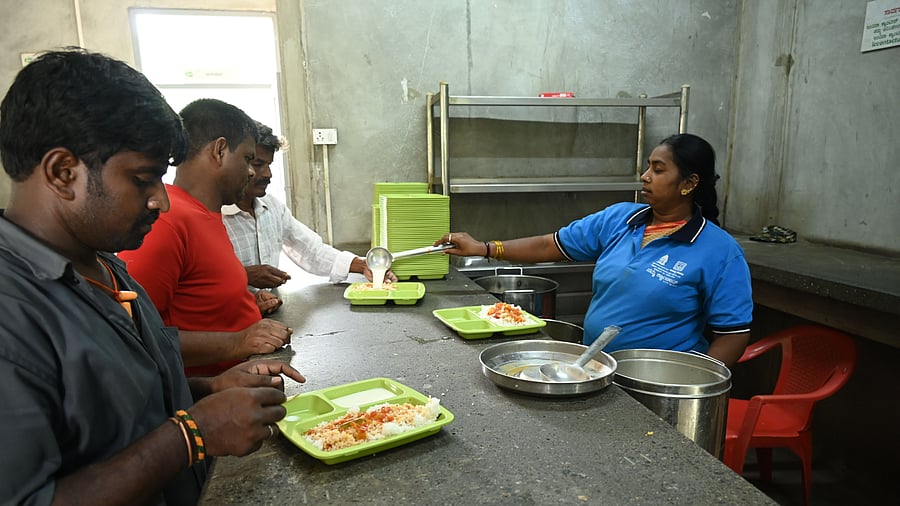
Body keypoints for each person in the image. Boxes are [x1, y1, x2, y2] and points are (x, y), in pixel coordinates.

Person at [0, 48, 305, 505]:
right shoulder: (13, 313)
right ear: (64, 172)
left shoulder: (104, 265)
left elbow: (126, 400)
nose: (161, 201)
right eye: (143, 179)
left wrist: (210, 389)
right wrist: (191, 436)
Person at [438, 133, 752, 367]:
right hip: (596, 367)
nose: (645, 176)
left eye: (658, 170)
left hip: (658, 381)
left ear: (689, 183)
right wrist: (484, 248)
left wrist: (690, 381)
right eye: (648, 167)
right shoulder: (620, 219)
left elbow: (733, 334)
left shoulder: (719, 251)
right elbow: (552, 244)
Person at [118, 99, 291, 376]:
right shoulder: (166, 221)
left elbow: (197, 300)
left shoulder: (208, 216)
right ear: (220, 150)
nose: (251, 171)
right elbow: (134, 336)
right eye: (248, 159)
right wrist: (239, 341)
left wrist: (240, 307)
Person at [222, 120, 394, 313]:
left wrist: (362, 265)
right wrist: (244, 278)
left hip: (269, 315)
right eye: (258, 164)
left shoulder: (272, 207)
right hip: (228, 323)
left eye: (268, 165)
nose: (268, 174)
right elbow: (199, 286)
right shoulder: (215, 216)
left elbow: (311, 250)